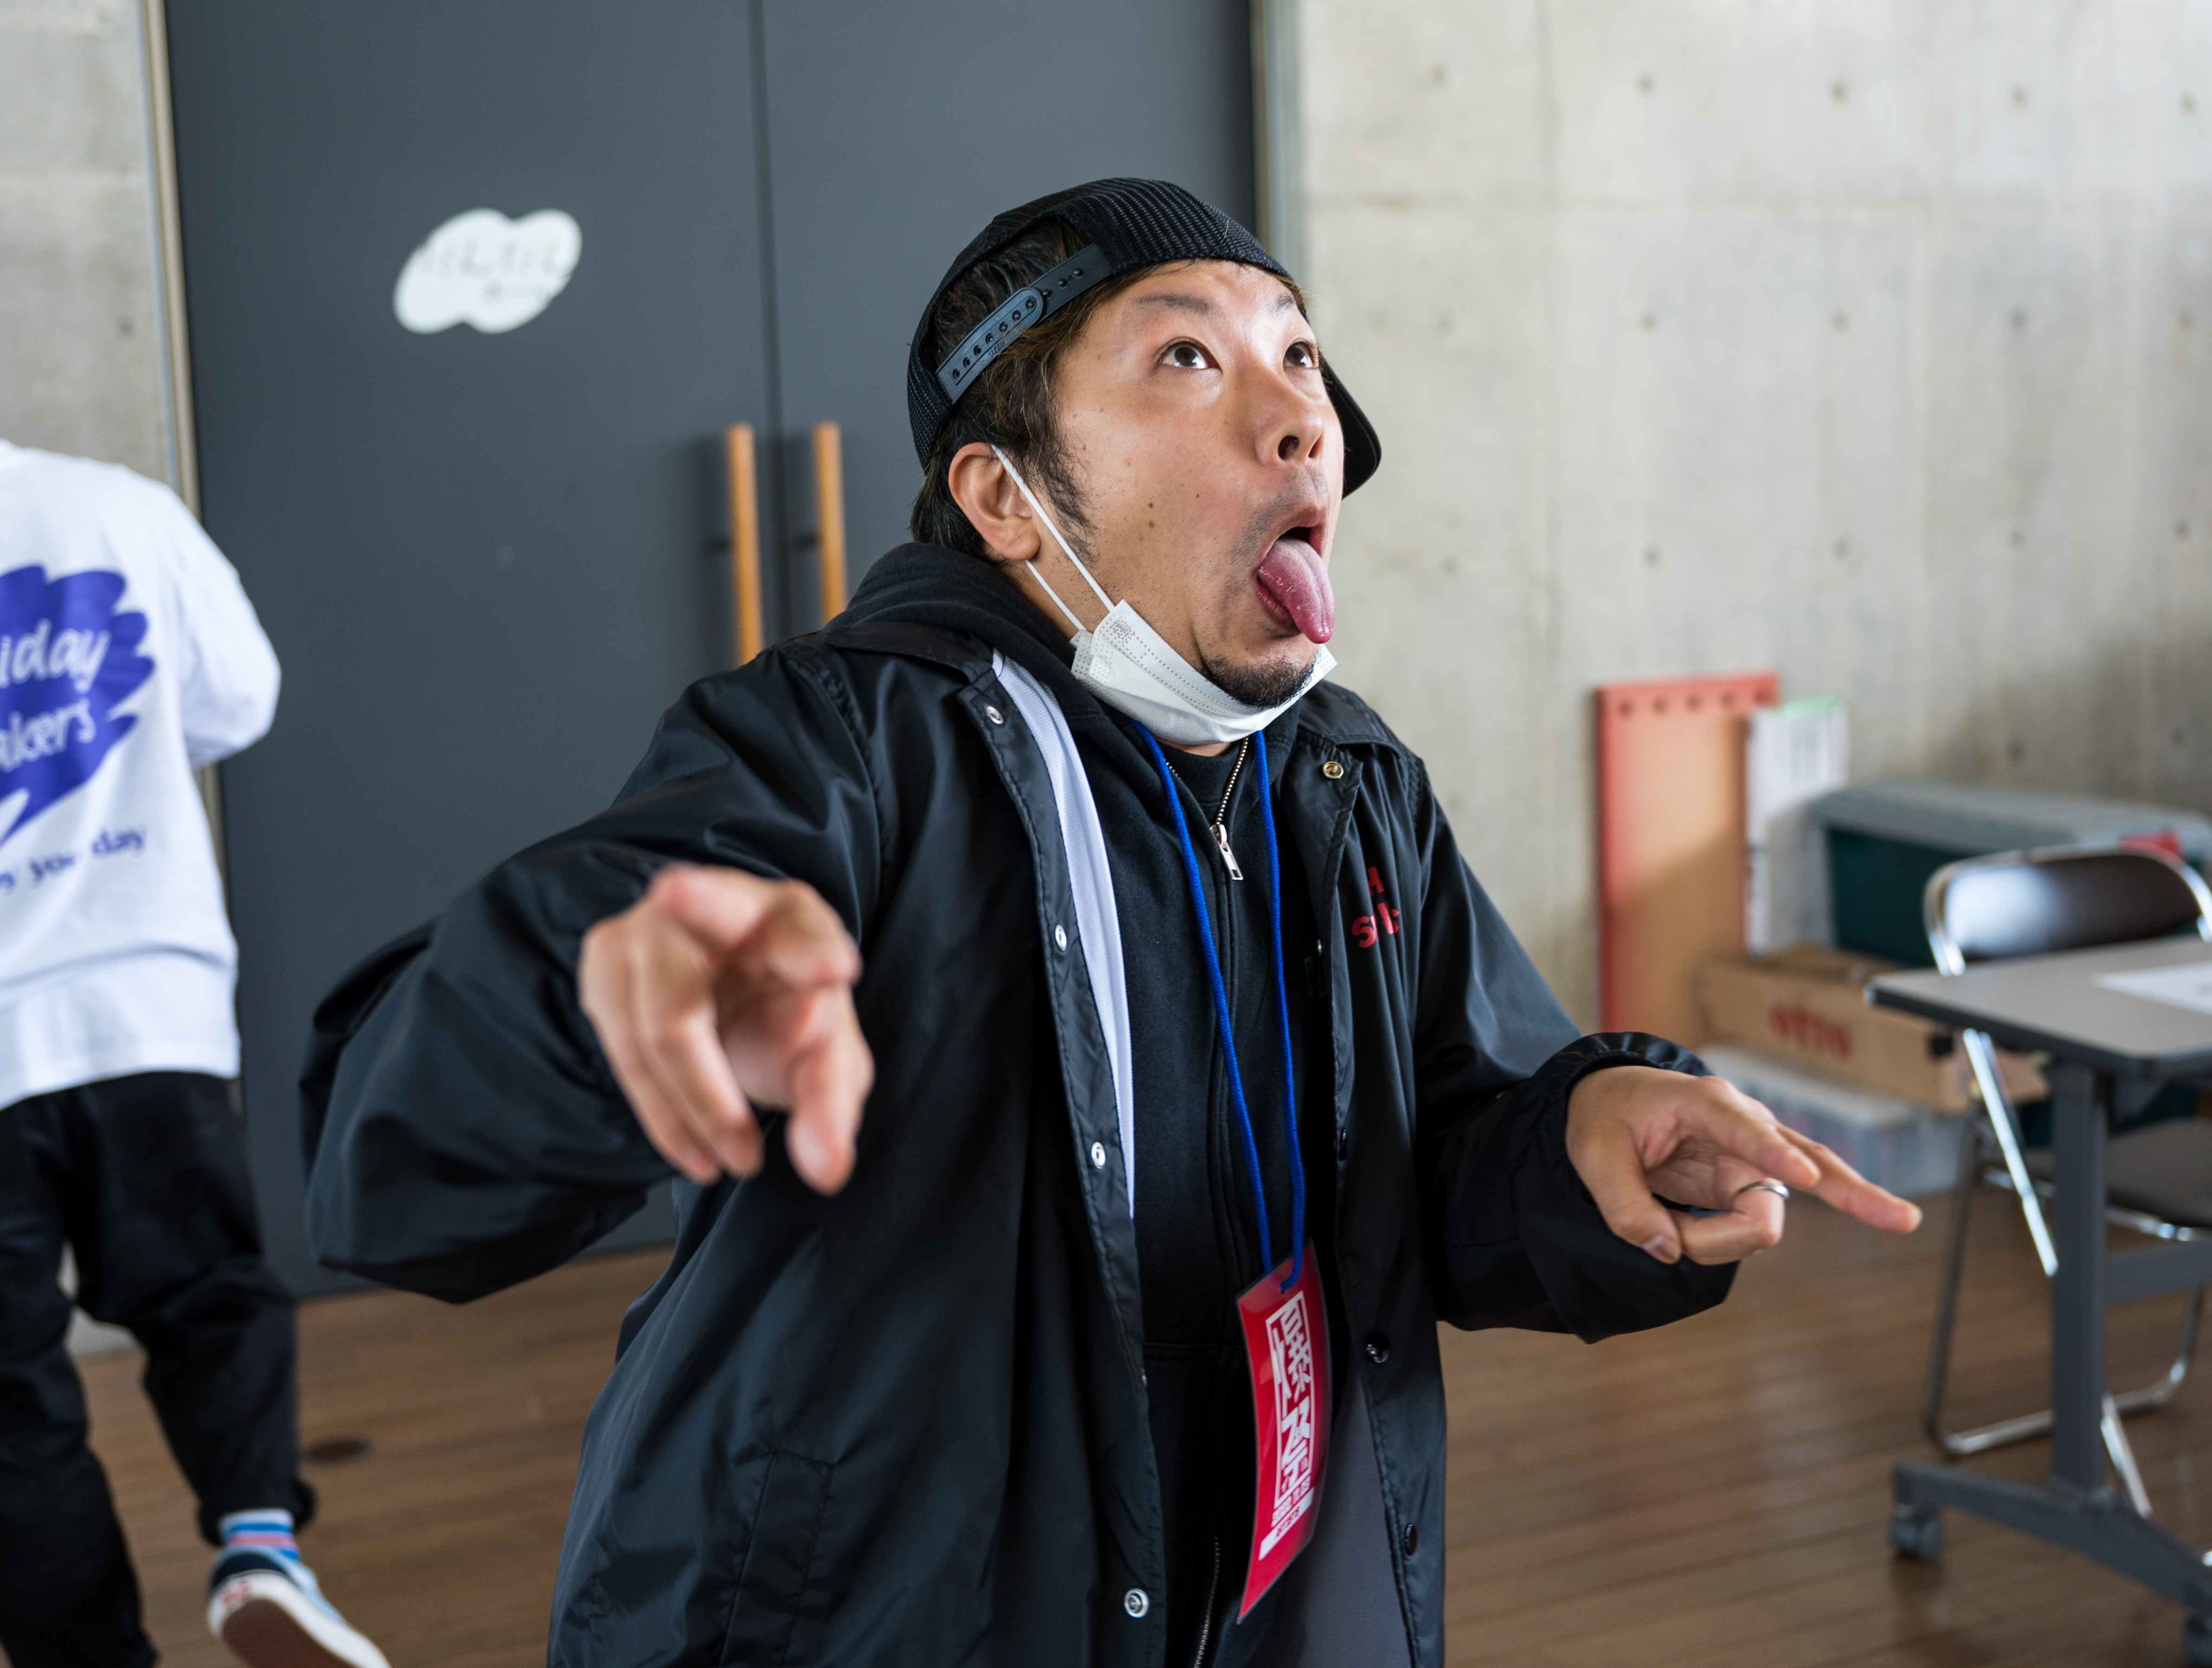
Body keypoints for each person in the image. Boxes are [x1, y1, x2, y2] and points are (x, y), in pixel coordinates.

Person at [303, 179, 1919, 1667]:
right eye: (1188, 360)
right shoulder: (849, 747)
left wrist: (1584, 1139)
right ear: (1006, 499)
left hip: (1273, 1604)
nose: (1303, 418)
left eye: (1300, 356)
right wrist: (591, 1000)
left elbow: (1439, 1153)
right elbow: (390, 1157)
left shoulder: (1349, 782)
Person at [0, 441, 386, 1668]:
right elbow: (238, 699)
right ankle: (259, 1545)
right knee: (207, 1292)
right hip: (144, 996)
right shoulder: (116, 509)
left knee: (12, 1400)